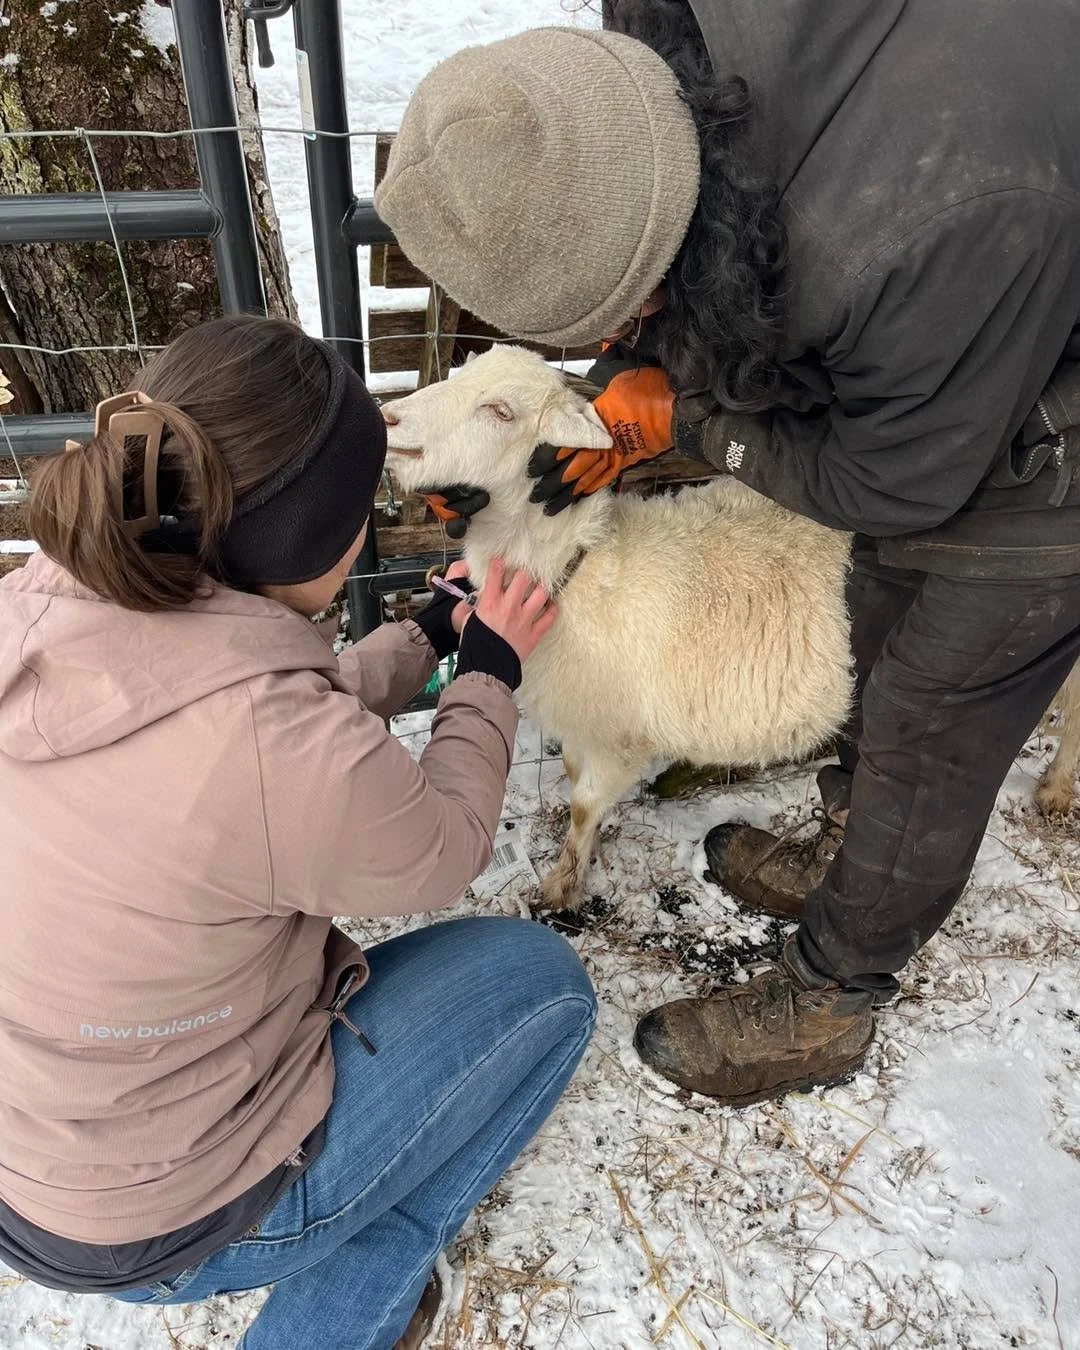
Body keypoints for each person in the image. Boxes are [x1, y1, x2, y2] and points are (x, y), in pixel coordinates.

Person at [374, 0, 1080, 1104]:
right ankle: (851, 846)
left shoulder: (909, 237)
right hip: (960, 310)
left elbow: (896, 484)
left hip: (1046, 427)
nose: (621, 347)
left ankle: (832, 996)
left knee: (927, 719)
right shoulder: (672, 45)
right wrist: (646, 365)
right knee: (874, 623)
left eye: (629, 316)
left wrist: (693, 419)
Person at [0, 314, 596, 1349]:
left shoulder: (38, 612)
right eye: (360, 510)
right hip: (168, 1224)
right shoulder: (273, 747)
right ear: (319, 537)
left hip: (31, 1170)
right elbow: (442, 845)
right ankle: (349, 1296)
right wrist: (489, 671)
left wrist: (422, 637)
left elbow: (241, 728)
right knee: (545, 988)